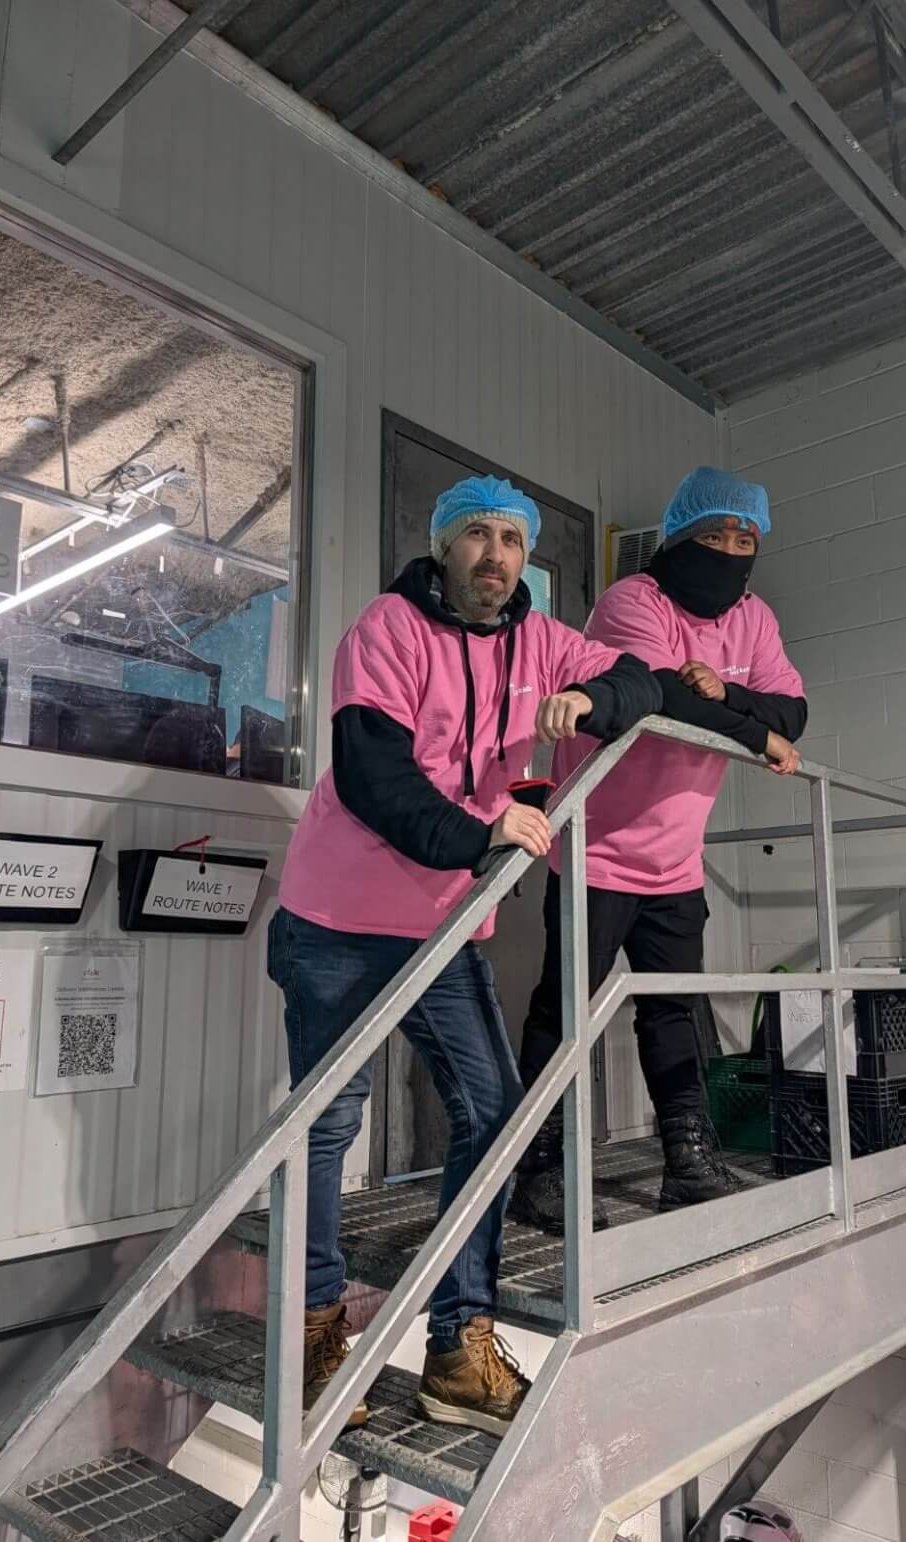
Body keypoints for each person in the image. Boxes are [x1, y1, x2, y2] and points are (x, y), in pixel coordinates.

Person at [268, 473, 659, 1434]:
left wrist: (594, 696)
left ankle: (458, 1344)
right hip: (340, 921)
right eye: (478, 536)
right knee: (328, 1124)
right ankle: (316, 1331)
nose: (498, 556)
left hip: (448, 929)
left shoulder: (541, 640)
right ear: (444, 546)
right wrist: (478, 837)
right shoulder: (388, 631)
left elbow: (640, 681)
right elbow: (370, 774)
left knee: (493, 1116)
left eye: (515, 541)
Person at [511, 466, 807, 1232]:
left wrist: (735, 701)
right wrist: (754, 731)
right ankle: (537, 1168)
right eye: (715, 535)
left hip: (676, 858)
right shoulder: (630, 601)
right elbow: (659, 694)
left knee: (673, 1010)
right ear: (679, 539)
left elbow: (794, 711)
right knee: (565, 1011)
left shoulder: (753, 618)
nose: (732, 549)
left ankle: (688, 1161)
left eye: (746, 539)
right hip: (596, 850)